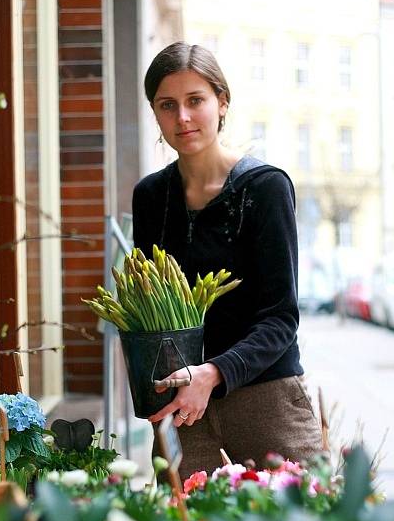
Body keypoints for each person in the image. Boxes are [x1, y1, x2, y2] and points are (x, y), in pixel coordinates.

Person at [132, 42, 323, 477]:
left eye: (195, 100)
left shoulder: (265, 188)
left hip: (266, 401)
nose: (182, 117)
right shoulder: (150, 198)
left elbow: (281, 318)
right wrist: (151, 389)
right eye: (167, 105)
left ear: (222, 102)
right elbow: (148, 321)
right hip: (184, 410)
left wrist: (214, 373)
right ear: (155, 113)